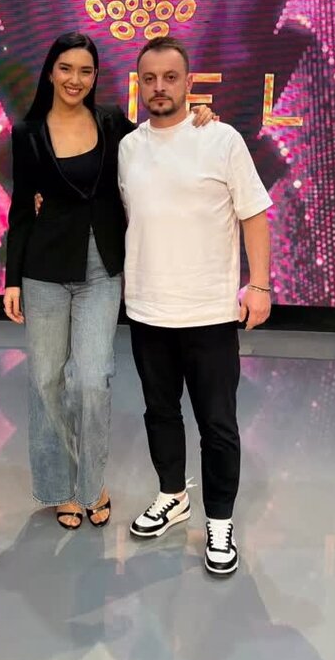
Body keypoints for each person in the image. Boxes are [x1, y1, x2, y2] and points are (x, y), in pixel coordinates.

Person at [2, 32, 213, 530]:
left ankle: (91, 484)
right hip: (44, 271)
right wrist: (12, 280)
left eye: (85, 71)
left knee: (93, 380)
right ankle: (61, 487)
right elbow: (21, 211)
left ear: (95, 77)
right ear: (51, 71)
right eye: (66, 68)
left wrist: (200, 118)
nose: (75, 79)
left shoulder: (112, 122)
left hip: (102, 270)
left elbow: (162, 141)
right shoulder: (27, 133)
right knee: (46, 380)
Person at [117, 36, 272, 576]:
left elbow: (254, 214)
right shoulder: (128, 148)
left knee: (217, 424)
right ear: (140, 85)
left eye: (170, 77)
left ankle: (220, 522)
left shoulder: (221, 139)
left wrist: (260, 286)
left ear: (188, 83)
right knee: (159, 413)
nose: (159, 87)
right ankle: (172, 496)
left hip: (209, 314)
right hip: (147, 311)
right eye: (149, 78)